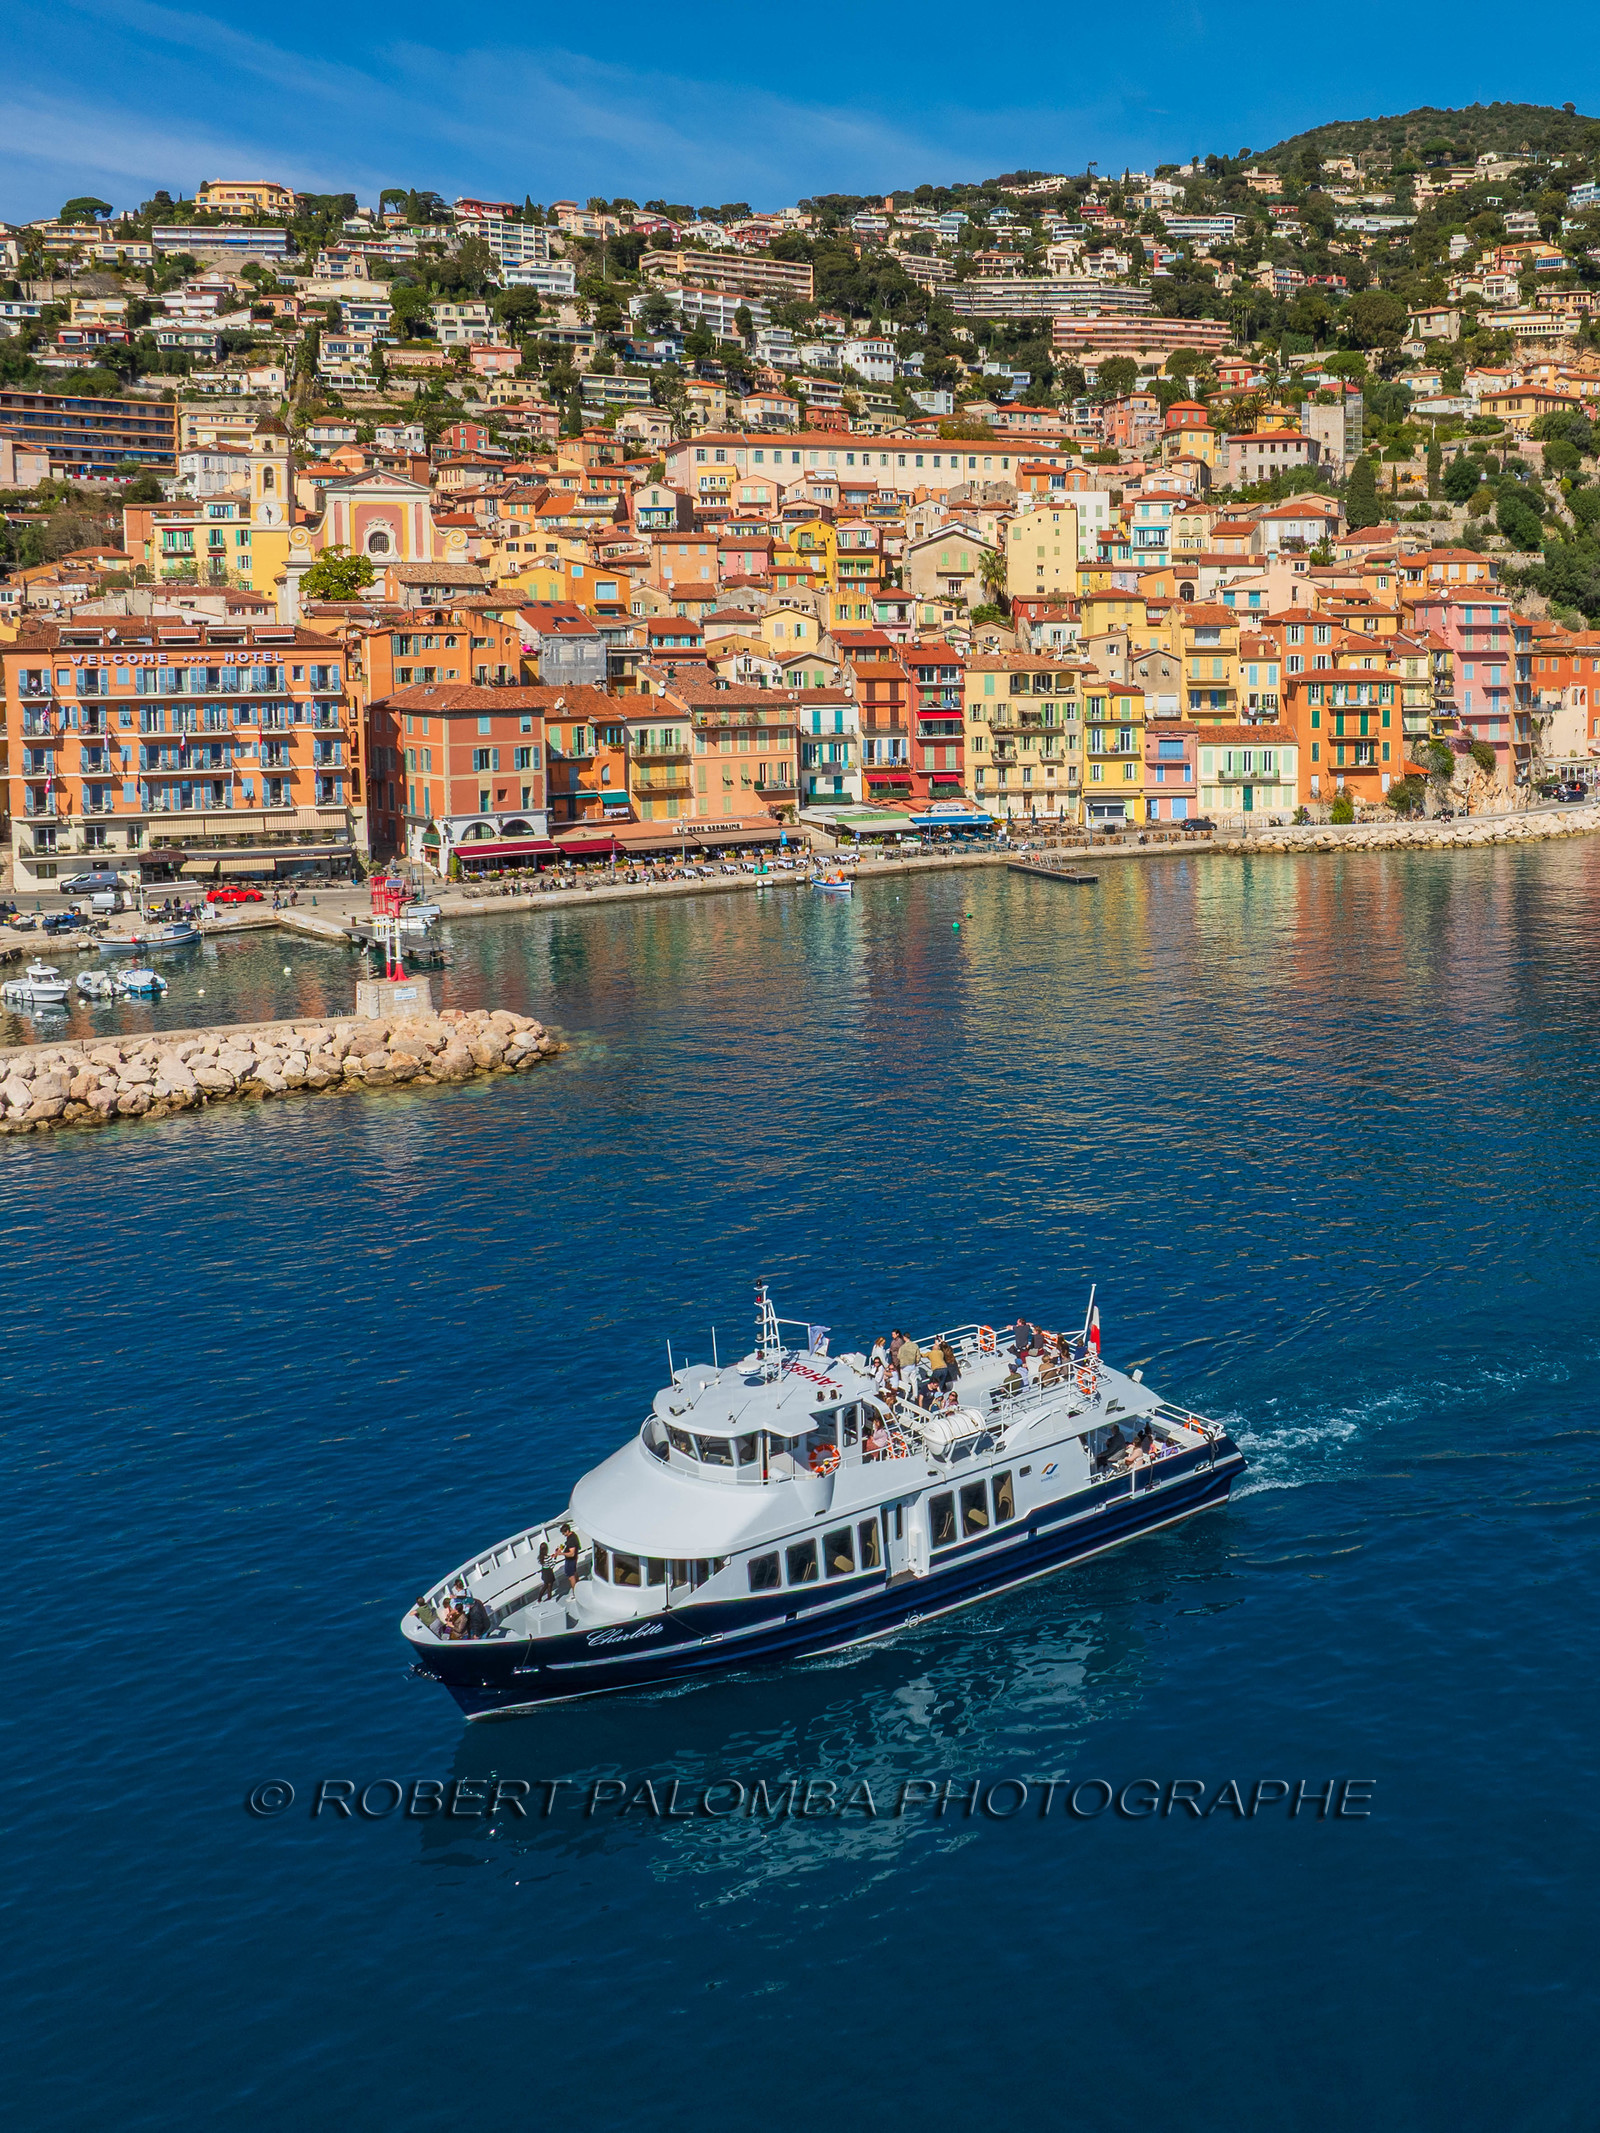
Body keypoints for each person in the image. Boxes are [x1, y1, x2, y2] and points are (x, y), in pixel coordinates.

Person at [561, 1524, 580, 1595]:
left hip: (571, 1560)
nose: (564, 1535)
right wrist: (561, 1547)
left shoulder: (571, 1540)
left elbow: (571, 1553)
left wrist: (561, 1553)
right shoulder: (572, 1536)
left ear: (567, 1531)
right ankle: (578, 1586)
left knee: (571, 1576)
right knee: (574, 1572)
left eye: (564, 1533)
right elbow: (567, 1544)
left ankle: (575, 1593)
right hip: (573, 1559)